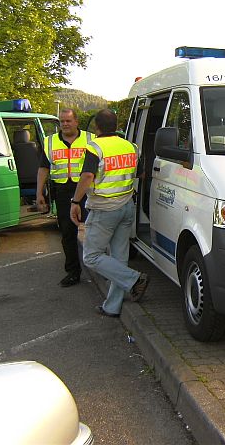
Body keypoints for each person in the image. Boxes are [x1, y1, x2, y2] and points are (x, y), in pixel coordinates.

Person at [69, 109, 148, 317]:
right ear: (116, 125)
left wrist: (75, 201)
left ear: (97, 127)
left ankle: (134, 278)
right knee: (119, 258)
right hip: (127, 206)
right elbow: (141, 173)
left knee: (92, 256)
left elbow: (87, 176)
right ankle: (112, 307)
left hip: (104, 209)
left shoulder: (95, 147)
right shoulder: (131, 146)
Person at [37, 108, 94, 287]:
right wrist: (39, 192)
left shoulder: (90, 139)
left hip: (87, 190)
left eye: (68, 121)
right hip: (62, 191)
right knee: (67, 233)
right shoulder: (50, 142)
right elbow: (43, 168)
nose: (65, 124)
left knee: (94, 230)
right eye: (62, 121)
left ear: (76, 122)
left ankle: (101, 269)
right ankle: (73, 271)